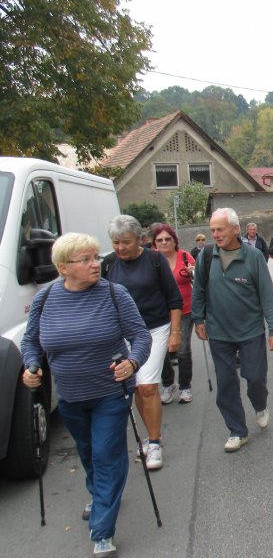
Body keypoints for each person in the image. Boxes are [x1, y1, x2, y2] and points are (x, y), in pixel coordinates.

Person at [22, 233, 151, 558]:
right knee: (88, 453)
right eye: (87, 260)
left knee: (107, 454)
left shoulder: (113, 294)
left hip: (111, 391)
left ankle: (102, 531)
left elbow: (139, 336)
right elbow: (31, 342)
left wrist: (132, 362)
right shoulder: (46, 298)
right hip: (70, 396)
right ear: (64, 267)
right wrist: (32, 365)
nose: (97, 264)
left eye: (96, 257)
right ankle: (100, 493)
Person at [192, 208, 273, 452]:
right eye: (212, 230)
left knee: (254, 377)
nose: (216, 234)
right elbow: (198, 289)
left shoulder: (253, 257)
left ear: (235, 229)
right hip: (219, 332)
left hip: (250, 330)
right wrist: (198, 318)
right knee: (226, 383)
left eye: (220, 229)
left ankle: (260, 404)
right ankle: (237, 431)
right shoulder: (207, 256)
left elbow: (267, 295)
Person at [103, 215, 183, 471]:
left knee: (148, 386)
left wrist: (175, 332)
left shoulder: (155, 260)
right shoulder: (108, 264)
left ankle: (155, 441)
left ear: (140, 239)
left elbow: (174, 299)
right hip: (120, 334)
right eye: (115, 242)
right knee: (136, 388)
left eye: (125, 242)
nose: (120, 248)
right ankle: (148, 438)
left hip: (154, 329)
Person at [152, 223, 195, 405]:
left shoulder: (185, 256)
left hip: (185, 309)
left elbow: (199, 278)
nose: (164, 243)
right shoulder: (150, 260)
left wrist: (194, 272)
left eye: (167, 239)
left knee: (183, 349)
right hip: (159, 313)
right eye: (159, 240)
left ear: (174, 240)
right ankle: (168, 384)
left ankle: (185, 387)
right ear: (154, 243)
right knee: (161, 352)